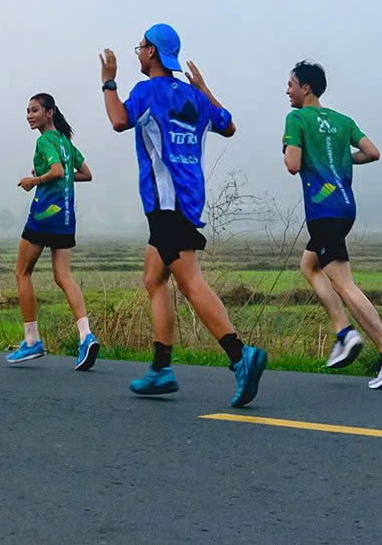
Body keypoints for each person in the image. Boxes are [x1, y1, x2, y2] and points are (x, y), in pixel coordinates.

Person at [102, 24, 267, 406]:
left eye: (141, 47)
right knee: (153, 278)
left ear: (152, 53)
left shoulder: (146, 91)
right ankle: (161, 368)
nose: (138, 53)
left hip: (166, 202)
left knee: (190, 282)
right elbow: (228, 124)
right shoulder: (193, 96)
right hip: (187, 199)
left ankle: (241, 356)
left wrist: (108, 83)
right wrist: (205, 88)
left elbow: (118, 120)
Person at [283, 60, 382, 389]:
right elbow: (372, 153)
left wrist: (290, 150)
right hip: (345, 207)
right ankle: (344, 332)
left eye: (290, 84)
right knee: (309, 265)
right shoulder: (343, 121)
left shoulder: (296, 118)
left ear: (306, 88)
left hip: (322, 211)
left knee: (343, 283)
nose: (287, 90)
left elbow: (293, 165)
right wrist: (340, 159)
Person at [6, 92, 99, 370]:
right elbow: (85, 173)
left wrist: (34, 180)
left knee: (22, 272)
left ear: (50, 112)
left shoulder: (45, 140)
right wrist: (59, 176)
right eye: (27, 111)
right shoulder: (66, 143)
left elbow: (58, 171)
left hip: (45, 214)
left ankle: (32, 340)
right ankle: (86, 336)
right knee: (64, 277)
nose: (29, 115)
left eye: (34, 110)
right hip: (67, 218)